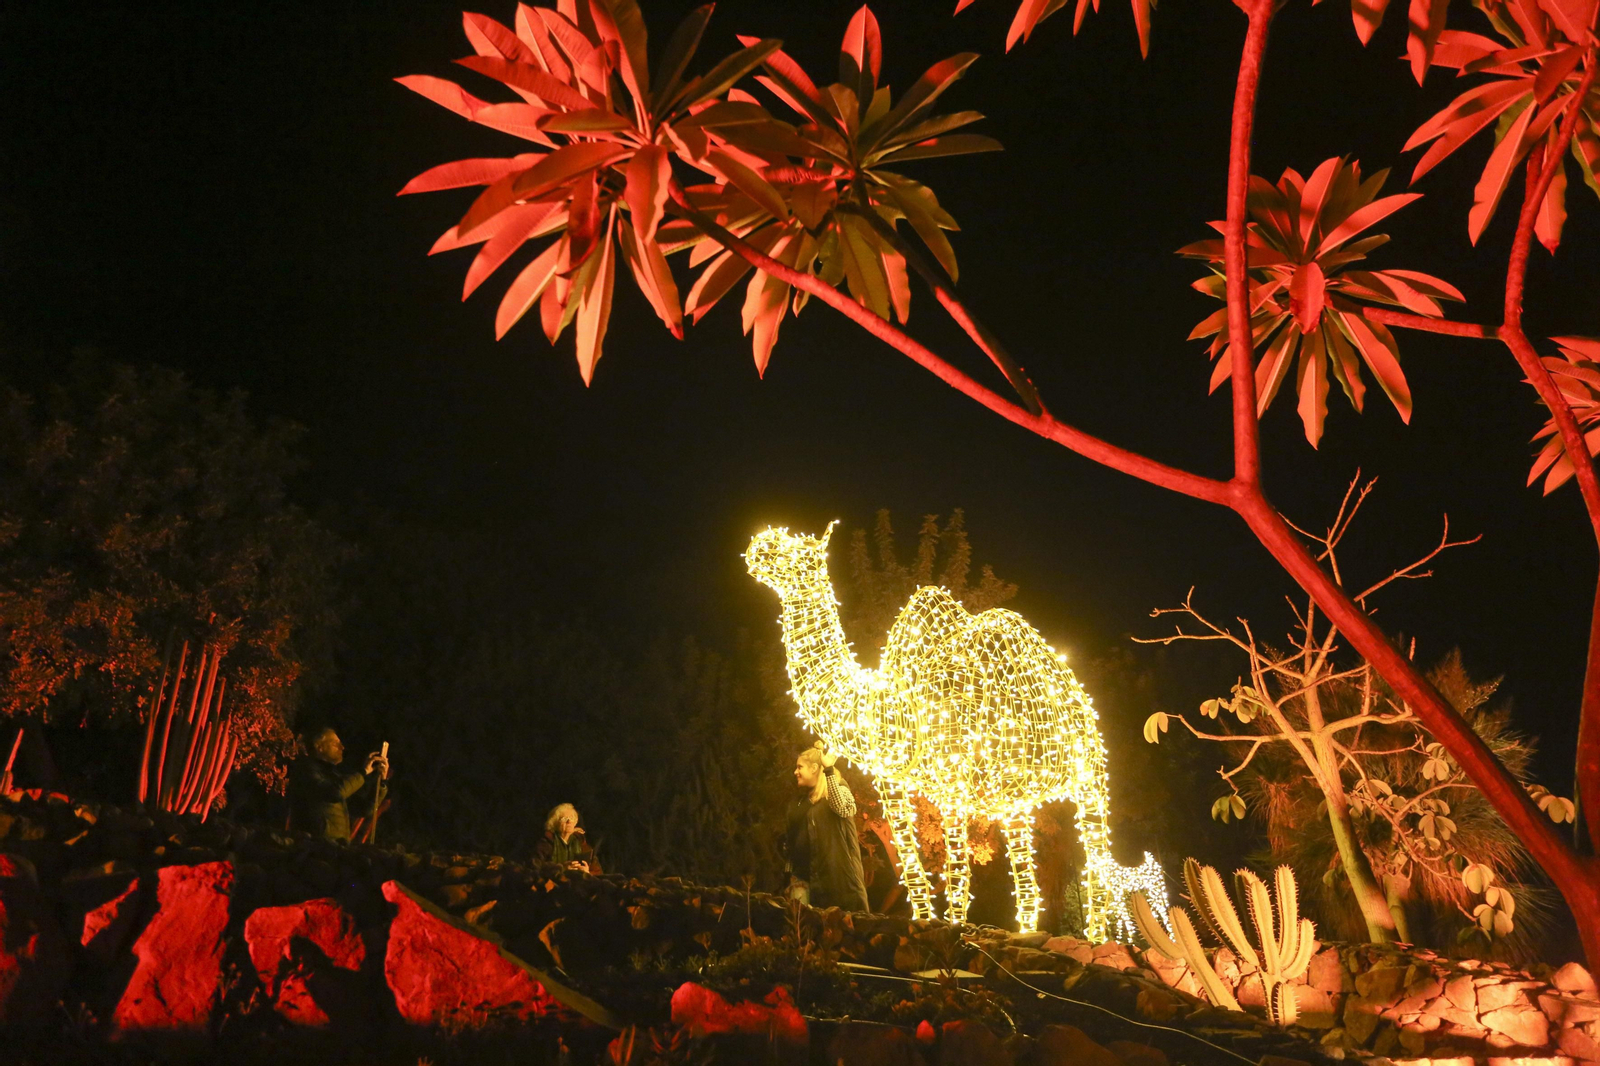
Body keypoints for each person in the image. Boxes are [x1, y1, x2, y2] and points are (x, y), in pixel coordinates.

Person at [785, 746, 869, 911]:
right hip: (809, 882)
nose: (795, 772)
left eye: (800, 767)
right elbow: (792, 842)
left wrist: (829, 770)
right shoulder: (803, 802)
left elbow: (844, 808)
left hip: (841, 884)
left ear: (814, 768)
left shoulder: (839, 788)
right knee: (801, 924)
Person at [288, 727, 388, 842]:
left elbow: (363, 809)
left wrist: (381, 782)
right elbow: (335, 793)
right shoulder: (306, 770)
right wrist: (363, 772)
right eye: (335, 744)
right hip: (315, 845)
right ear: (319, 747)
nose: (342, 747)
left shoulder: (333, 776)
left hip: (333, 846)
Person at [536, 803, 602, 873]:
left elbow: (597, 871)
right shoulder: (547, 842)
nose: (569, 821)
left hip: (578, 879)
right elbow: (536, 868)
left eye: (572, 818)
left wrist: (587, 872)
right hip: (554, 879)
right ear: (555, 822)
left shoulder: (581, 843)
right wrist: (562, 868)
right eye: (564, 818)